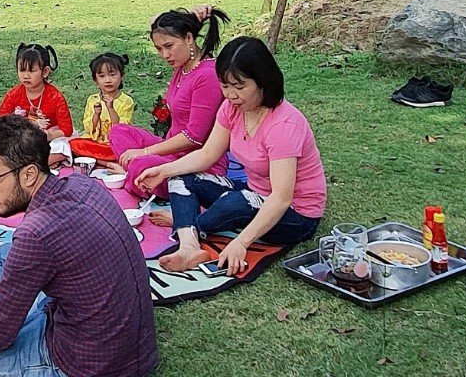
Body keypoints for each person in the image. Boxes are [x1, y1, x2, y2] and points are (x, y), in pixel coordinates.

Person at [0, 116, 158, 377]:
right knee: (3, 254)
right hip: (127, 348)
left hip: (79, 372)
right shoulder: (82, 183)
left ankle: (6, 375)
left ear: (29, 174)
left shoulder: (37, 234)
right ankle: (3, 324)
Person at [138, 36, 328, 274]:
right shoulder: (231, 108)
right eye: (225, 86)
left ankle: (187, 222)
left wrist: (241, 243)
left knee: (235, 202)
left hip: (296, 214)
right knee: (180, 179)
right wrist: (163, 170)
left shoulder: (283, 125)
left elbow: (281, 198)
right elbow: (208, 154)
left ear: (262, 81)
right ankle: (188, 246)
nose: (231, 95)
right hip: (254, 192)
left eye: (240, 87)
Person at [108, 5, 229, 200]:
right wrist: (189, 17)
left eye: (169, 46)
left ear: (189, 38)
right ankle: (139, 178)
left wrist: (144, 152)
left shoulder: (207, 76)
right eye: (159, 49)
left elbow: (194, 138)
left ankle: (133, 176)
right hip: (169, 150)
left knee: (140, 164)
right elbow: (156, 21)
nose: (165, 55)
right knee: (118, 131)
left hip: (196, 163)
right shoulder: (183, 67)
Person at [0, 43, 74, 140]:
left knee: (59, 147)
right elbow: (0, 121)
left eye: (31, 71)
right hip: (20, 138)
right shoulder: (13, 95)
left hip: (49, 139)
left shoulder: (56, 97)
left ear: (45, 72)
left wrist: (49, 136)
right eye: (22, 70)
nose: (26, 76)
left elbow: (67, 129)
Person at [80, 52, 136, 146]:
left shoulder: (126, 101)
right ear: (95, 80)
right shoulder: (92, 100)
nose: (108, 80)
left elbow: (122, 127)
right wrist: (96, 114)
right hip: (95, 141)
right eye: (102, 76)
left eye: (112, 75)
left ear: (122, 76)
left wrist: (111, 108)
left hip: (115, 142)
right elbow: (88, 129)